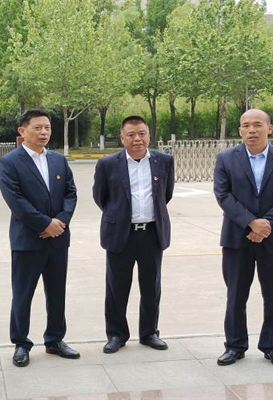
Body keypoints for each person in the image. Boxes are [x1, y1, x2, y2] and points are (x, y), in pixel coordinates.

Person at [213, 109, 273, 368]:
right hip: (236, 238)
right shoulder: (226, 159)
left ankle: (272, 346)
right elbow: (223, 195)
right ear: (240, 130)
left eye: (258, 125)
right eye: (246, 125)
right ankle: (235, 345)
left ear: (269, 128)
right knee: (236, 295)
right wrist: (251, 222)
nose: (252, 130)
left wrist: (266, 225)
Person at [0, 109, 79, 367]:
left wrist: (60, 222)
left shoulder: (58, 160)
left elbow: (70, 193)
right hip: (27, 240)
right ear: (22, 131)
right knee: (23, 295)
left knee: (56, 293)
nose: (44, 132)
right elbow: (16, 201)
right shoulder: (9, 162)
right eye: (37, 127)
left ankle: (55, 339)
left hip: (58, 239)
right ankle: (21, 343)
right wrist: (45, 224)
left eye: (47, 127)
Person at [93, 115, 175, 354]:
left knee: (151, 287)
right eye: (131, 135)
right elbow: (101, 197)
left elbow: (166, 194)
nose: (137, 139)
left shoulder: (164, 161)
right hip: (121, 234)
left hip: (152, 233)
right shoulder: (108, 164)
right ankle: (116, 334)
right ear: (122, 138)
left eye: (142, 133)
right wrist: (119, 216)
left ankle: (149, 333)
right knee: (116, 288)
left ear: (149, 135)